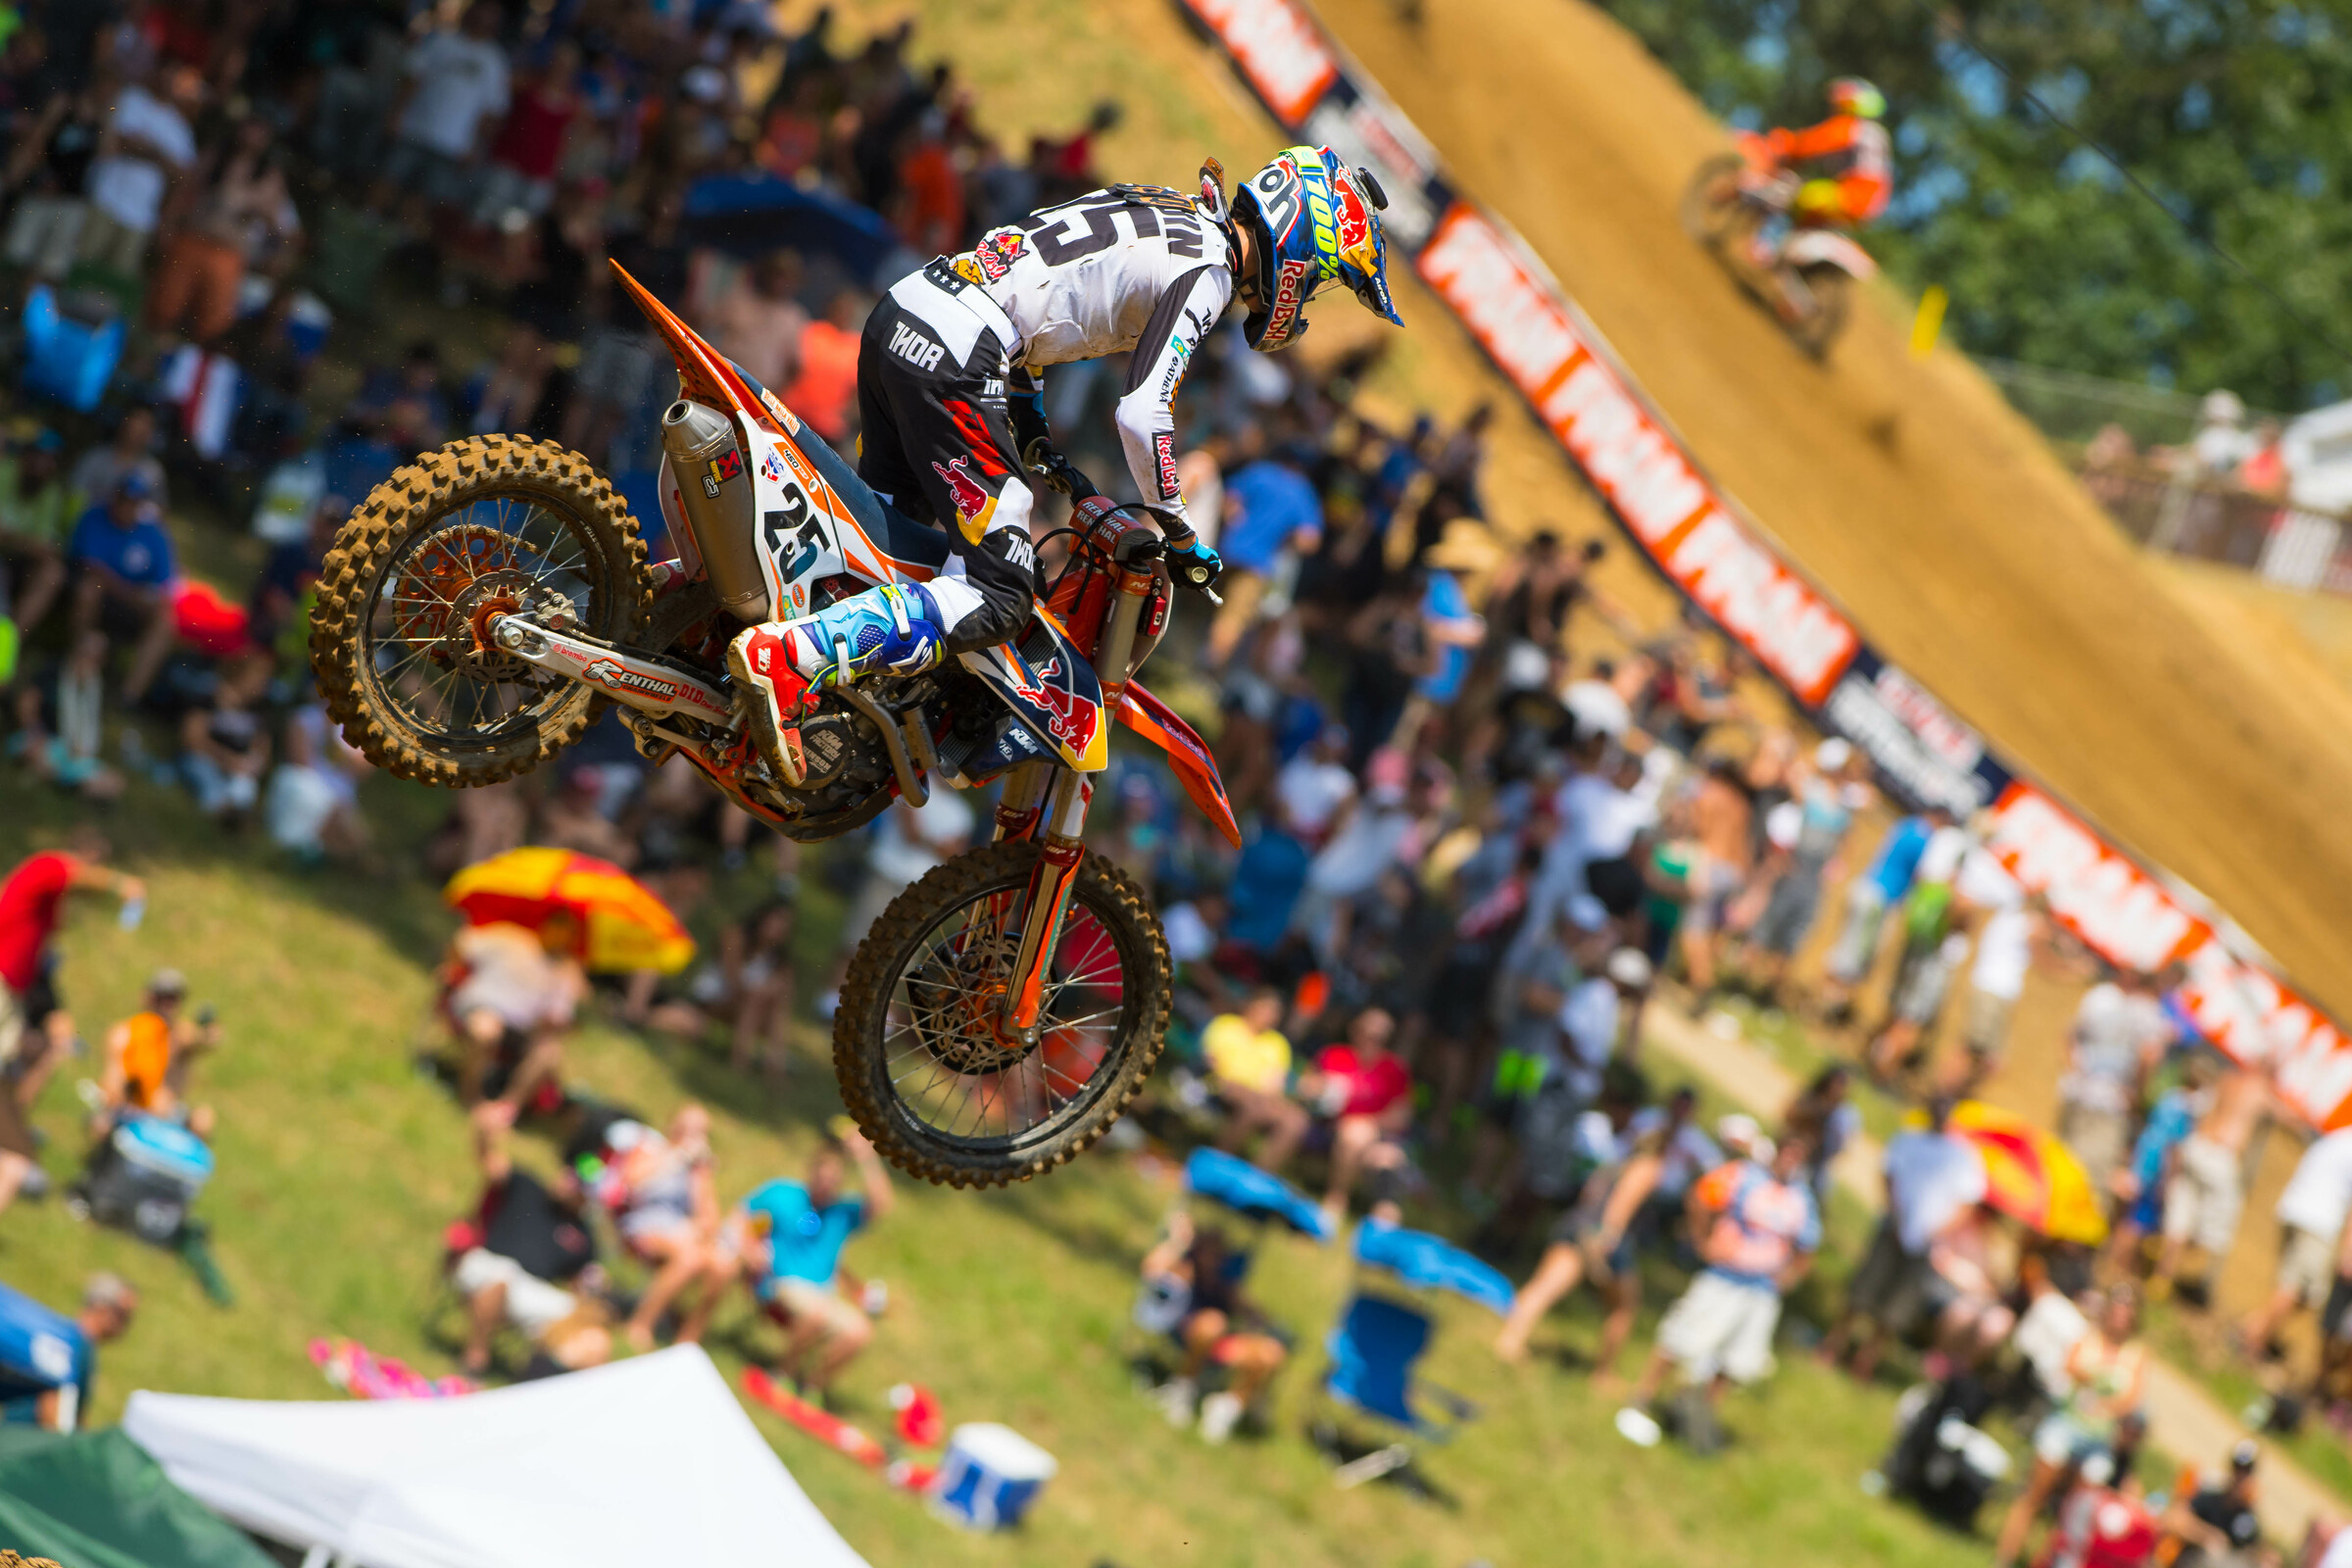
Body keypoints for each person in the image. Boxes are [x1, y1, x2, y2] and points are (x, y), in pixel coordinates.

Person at [728, 146, 1402, 786]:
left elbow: (1041, 287)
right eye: (1320, 278)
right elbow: (1143, 413)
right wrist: (1178, 528)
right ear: (1302, 243)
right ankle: (788, 659)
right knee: (1001, 590)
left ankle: (750, 644)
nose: (1307, 293)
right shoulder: (1211, 273)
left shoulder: (1165, 208)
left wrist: (1031, 427)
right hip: (960, 356)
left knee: (885, 542)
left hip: (914, 306)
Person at [1616, 1133, 1820, 1451]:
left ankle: (1698, 1415)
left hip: (1762, 1290)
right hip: (1725, 1277)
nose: (1791, 1159)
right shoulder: (1745, 1175)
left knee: (1738, 1361)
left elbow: (1808, 1244)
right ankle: (1643, 1396)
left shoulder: (1802, 1198)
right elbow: (1700, 1197)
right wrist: (1703, 1241)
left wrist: (1790, 1275)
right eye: (1788, 1151)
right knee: (1682, 1339)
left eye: (1800, 1154)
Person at [0, 831, 142, 1218]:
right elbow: (75, 874)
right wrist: (120, 884)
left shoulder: (41, 905)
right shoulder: (48, 865)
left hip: (14, 993)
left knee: (27, 1058)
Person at [1820, 1095, 1995, 1381]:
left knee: (1896, 1311)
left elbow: (1966, 1205)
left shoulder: (1964, 1157)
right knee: (1861, 1292)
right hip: (1892, 1229)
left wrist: (1934, 1232)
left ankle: (1864, 1362)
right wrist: (1898, 1216)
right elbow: (1889, 1176)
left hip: (1926, 1244)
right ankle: (1832, 1345)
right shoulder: (1909, 1139)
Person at [1494, 1115, 1666, 1375]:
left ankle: (1509, 1339)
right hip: (1604, 1235)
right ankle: (1603, 1373)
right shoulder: (1648, 1167)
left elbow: (1589, 1191)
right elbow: (1623, 1201)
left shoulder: (1617, 1161)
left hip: (1577, 1224)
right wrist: (1608, 1235)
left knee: (1544, 1286)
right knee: (1623, 1308)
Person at [1993, 1284, 2149, 1568]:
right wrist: (2100, 1386)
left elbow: (2130, 1400)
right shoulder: (2087, 1338)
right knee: (2033, 1496)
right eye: (2118, 1306)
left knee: (2073, 1515)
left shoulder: (2136, 1354)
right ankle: (2005, 1558)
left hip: (2099, 1441)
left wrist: (2101, 1394)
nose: (2121, 1315)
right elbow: (2069, 1369)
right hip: (2065, 1427)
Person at [453, 1101, 612, 1378]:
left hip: (531, 1290)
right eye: (570, 1174)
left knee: (593, 1332)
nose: (569, 1182)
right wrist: (485, 1131)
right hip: (487, 1265)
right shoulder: (526, 1186)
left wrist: (595, 1297)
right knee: (501, 1277)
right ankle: (474, 1360)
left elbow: (582, 1285)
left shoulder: (582, 1235)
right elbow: (489, 1159)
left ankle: (541, 1382)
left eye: (579, 1184)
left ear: (588, 1197)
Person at [737, 1130, 896, 1402]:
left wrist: (865, 1157)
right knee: (817, 1312)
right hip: (779, 1284)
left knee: (860, 1331)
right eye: (822, 1177)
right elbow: (743, 1216)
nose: (826, 1184)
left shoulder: (841, 1213)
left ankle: (811, 1387)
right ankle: (781, 1374)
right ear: (811, 1172)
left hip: (821, 1293)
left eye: (833, 1180)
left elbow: (881, 1204)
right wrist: (750, 1249)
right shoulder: (783, 1195)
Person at [1139, 1209, 1288, 1443]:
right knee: (1213, 1323)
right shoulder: (1185, 1268)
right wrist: (1178, 1242)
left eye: (1218, 1252)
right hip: (1186, 1330)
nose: (1214, 1257)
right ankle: (1182, 1388)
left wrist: (1268, 1325)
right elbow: (1151, 1269)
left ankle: (1225, 1408)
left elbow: (1252, 1312)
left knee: (1271, 1353)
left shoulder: (1223, 1285)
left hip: (1219, 1343)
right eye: (1209, 1249)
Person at [605, 1104, 734, 1351]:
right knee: (690, 1257)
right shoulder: (651, 1148)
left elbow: (710, 1220)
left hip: (682, 1234)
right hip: (644, 1225)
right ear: (675, 1126)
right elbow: (631, 1182)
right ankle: (640, 1324)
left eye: (701, 1132)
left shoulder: (697, 1170)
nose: (695, 1136)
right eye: (690, 1129)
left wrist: (700, 1180)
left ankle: (688, 1338)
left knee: (724, 1266)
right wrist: (679, 1156)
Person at [2157, 1054, 2275, 1302]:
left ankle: (2162, 1276)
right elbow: (2290, 1119)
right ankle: (2185, 1279)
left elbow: (2202, 1111)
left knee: (2182, 1213)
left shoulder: (2227, 1079)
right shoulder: (2261, 1092)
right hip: (2222, 1159)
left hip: (2197, 1147)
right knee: (2215, 1229)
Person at [445, 913, 588, 1112]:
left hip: (523, 1029)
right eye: (559, 928)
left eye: (568, 934)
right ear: (546, 925)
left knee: (550, 1052)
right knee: (486, 1030)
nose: (561, 937)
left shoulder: (564, 972)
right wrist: (451, 969)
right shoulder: (512, 939)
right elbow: (463, 942)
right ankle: (470, 1097)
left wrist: (572, 992)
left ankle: (506, 1109)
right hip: (484, 1007)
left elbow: (558, 1018)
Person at [2238, 1125, 2352, 1363]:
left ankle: (2255, 1330)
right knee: (2296, 1288)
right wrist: (2348, 1251)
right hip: (2318, 1222)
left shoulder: (2339, 1136)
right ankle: (2250, 1337)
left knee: (2302, 1292)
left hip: (2295, 1209)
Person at [66, 470, 178, 703]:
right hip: (100, 597)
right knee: (90, 587)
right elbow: (91, 568)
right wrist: (132, 593)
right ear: (114, 497)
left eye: (134, 502)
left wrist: (140, 597)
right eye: (123, 499)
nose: (127, 506)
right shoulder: (95, 517)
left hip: (131, 606)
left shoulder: (154, 535)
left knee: (166, 620)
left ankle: (130, 695)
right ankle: (76, 658)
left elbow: (165, 588)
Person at [2058, 968, 2174, 1194]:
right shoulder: (2150, 1015)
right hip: (2111, 1102)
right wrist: (2136, 1094)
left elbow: (2070, 1036)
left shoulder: (2105, 998)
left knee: (2062, 1160)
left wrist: (2075, 1073)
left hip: (2079, 1092)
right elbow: (2148, 1059)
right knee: (2088, 1178)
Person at [1296, 1005, 1414, 1220]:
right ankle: (1336, 1200)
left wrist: (1367, 1122)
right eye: (1368, 1033)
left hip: (1374, 1137)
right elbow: (1304, 1087)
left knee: (1390, 1158)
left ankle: (1383, 1226)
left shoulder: (1394, 1069)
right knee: (1355, 1136)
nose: (1372, 1040)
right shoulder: (1334, 1055)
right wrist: (1317, 1089)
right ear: (1355, 1030)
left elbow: (1402, 1115)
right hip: (1327, 1130)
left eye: (1380, 1036)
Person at [1758, 76, 1891, 241]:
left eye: (1840, 104)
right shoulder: (1870, 132)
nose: (1834, 109)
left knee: (1795, 196)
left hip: (1855, 194)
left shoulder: (1854, 126)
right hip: (1864, 203)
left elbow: (1813, 143)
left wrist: (1783, 143)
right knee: (1805, 217)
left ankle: (1763, 244)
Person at [0, 1274, 135, 1429]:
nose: (126, 1324)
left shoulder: (64, 1340)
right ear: (101, 1307)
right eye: (123, 1314)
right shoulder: (75, 1349)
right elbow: (54, 1407)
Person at [95, 969, 220, 1134]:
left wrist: (208, 1033)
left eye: (173, 999)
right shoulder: (126, 1033)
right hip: (130, 1112)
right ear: (149, 998)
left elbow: (200, 1040)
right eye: (163, 998)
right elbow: (112, 1080)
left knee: (204, 1118)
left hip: (168, 1118)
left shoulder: (177, 1035)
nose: (168, 1005)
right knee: (101, 1123)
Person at [1205, 987, 1306, 1165]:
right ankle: (1217, 1160)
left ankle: (1257, 1175)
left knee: (1296, 1120)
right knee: (1253, 1106)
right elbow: (1211, 1063)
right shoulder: (1226, 1025)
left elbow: (1276, 1081)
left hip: (1262, 1096)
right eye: (1265, 1008)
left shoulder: (1278, 1043)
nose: (1269, 1015)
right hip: (1224, 1085)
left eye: (1274, 1012)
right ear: (1250, 1006)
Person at [2159, 1440, 2265, 1568]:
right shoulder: (2210, 1498)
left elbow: (2253, 1554)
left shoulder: (2248, 1518)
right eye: (2238, 1468)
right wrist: (2207, 1536)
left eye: (2246, 1470)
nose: (2240, 1475)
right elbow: (2175, 1520)